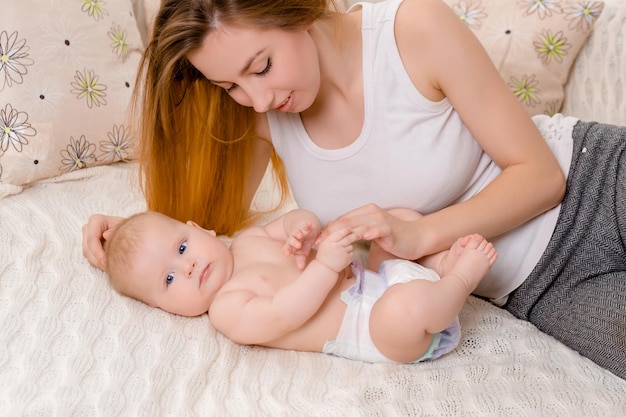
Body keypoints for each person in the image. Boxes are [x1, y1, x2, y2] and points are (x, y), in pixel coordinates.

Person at [81, 0, 626, 377]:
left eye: (263, 66)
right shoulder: (261, 116)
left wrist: (418, 235)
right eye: (231, 86)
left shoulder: (412, 30)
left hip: (593, 177)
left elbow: (541, 176)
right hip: (536, 287)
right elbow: (199, 234)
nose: (259, 98)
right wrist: (121, 232)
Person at [103, 208, 497, 363]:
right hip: (378, 329)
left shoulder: (246, 239)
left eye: (182, 246)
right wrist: (324, 264)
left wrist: (302, 229)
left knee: (383, 222)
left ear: (199, 228)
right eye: (169, 279)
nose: (187, 266)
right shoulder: (227, 309)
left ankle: (434, 262)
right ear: (165, 309)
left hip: (369, 275)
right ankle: (459, 279)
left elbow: (291, 223)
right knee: (401, 310)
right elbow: (285, 312)